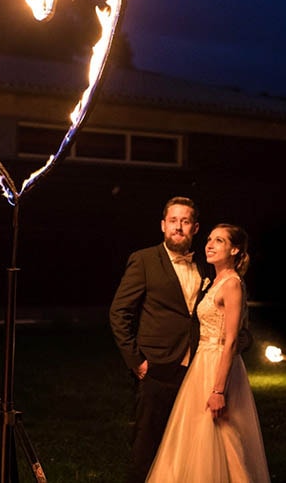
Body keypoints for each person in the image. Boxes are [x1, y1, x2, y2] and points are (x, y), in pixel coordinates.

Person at [145, 223, 271, 483]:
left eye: (220, 241)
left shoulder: (233, 284)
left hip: (218, 364)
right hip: (201, 362)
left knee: (223, 435)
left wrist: (218, 390)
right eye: (210, 239)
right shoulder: (215, 281)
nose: (210, 245)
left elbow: (233, 340)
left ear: (235, 250)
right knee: (195, 435)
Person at [109, 196, 213, 483]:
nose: (178, 227)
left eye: (185, 221)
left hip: (195, 368)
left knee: (188, 444)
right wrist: (136, 361)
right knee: (147, 444)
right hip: (156, 366)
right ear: (163, 225)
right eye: (173, 221)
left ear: (195, 228)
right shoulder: (143, 260)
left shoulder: (206, 266)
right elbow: (119, 312)